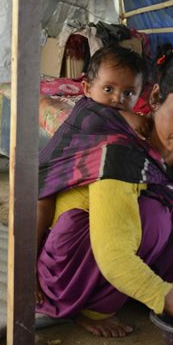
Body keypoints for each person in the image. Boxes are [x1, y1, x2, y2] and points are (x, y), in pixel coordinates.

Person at [36, 47, 173, 337]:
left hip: (120, 253)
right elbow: (114, 256)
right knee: (153, 215)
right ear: (157, 97)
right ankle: (93, 308)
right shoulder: (120, 149)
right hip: (70, 268)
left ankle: (143, 292)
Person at [36, 45, 147, 252]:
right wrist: (128, 117)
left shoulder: (118, 116)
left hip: (78, 172)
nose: (117, 98)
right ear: (87, 89)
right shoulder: (87, 110)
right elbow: (99, 121)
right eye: (108, 89)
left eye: (128, 92)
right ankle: (28, 261)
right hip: (48, 170)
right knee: (41, 209)